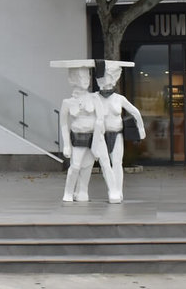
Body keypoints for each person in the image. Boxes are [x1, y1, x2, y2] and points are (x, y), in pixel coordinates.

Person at [94, 60, 146, 203]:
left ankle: (118, 190)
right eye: (102, 77)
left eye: (108, 77)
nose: (105, 81)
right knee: (105, 163)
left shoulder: (119, 99)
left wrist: (141, 129)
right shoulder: (94, 98)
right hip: (100, 135)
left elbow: (135, 112)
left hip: (116, 134)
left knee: (117, 163)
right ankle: (112, 190)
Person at [59, 66, 102, 202]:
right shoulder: (67, 102)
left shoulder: (95, 98)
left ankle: (83, 191)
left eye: (87, 77)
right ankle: (68, 192)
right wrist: (66, 145)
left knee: (88, 165)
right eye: (81, 77)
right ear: (73, 79)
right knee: (76, 165)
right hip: (77, 137)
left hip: (92, 136)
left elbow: (100, 119)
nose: (85, 80)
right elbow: (64, 123)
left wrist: (98, 140)